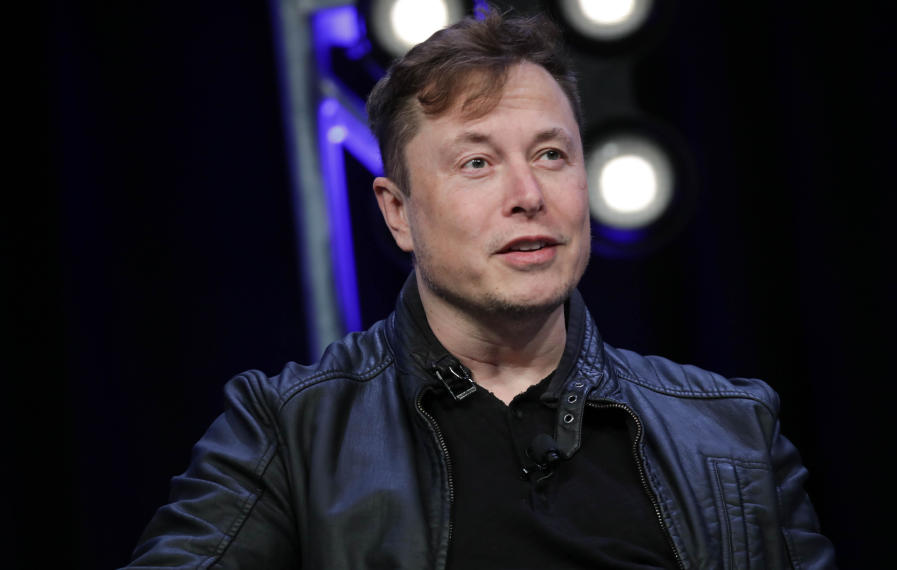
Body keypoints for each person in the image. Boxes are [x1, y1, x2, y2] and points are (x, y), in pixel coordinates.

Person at [125, 8, 836, 569]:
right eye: (476, 163)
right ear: (397, 211)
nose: (528, 195)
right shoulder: (289, 430)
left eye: (551, 155)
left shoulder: (734, 430)